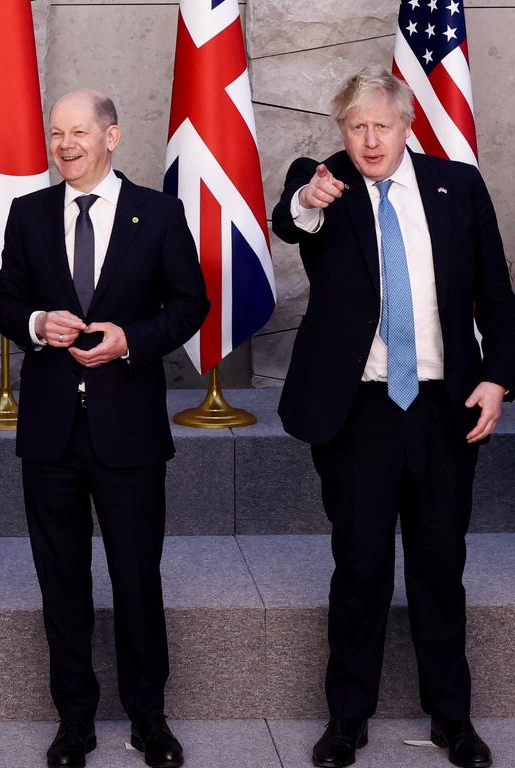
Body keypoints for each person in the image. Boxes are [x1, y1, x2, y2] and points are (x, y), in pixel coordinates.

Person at [272, 68, 515, 768]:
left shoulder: (457, 186)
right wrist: (309, 199)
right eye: (356, 127)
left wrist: (497, 379)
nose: (369, 140)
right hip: (359, 412)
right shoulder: (324, 180)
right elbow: (291, 218)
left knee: (442, 568)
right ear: (340, 130)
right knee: (360, 567)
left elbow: (498, 295)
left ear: (407, 126)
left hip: (444, 408)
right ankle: (347, 719)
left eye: (382, 125)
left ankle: (453, 720)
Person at [0, 89, 209, 768]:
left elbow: (190, 303)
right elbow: (6, 301)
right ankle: (74, 722)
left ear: (112, 137)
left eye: (79, 132)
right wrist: (33, 325)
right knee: (62, 582)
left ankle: (150, 720)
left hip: (130, 430)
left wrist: (130, 339)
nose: (65, 145)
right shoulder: (28, 214)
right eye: (57, 133)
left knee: (137, 578)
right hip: (51, 433)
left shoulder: (160, 213)